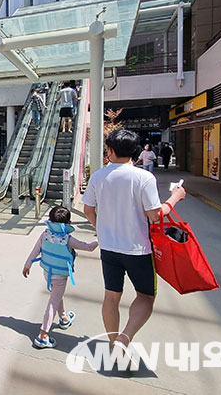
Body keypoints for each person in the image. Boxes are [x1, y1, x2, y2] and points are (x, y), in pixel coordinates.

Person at [83, 129, 186, 359]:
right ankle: (124, 338)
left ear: (109, 151)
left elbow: (88, 210)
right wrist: (175, 197)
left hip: (109, 248)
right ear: (136, 153)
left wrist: (102, 229)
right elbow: (155, 215)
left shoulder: (98, 176)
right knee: (146, 296)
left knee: (111, 296)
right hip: (139, 249)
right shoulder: (143, 178)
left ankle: (113, 344)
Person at [22, 206, 98, 349]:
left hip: (47, 272)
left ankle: (64, 318)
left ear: (50, 220)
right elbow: (88, 247)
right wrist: (99, 240)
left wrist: (27, 265)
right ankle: (43, 335)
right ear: (68, 223)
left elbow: (35, 250)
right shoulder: (67, 239)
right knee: (53, 302)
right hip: (60, 276)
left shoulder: (45, 234)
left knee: (56, 297)